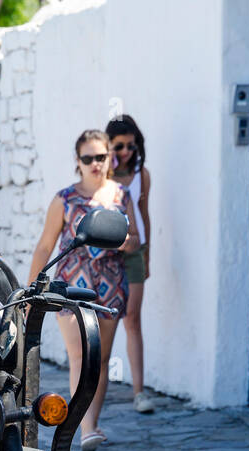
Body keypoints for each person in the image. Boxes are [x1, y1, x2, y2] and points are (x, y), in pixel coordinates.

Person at [27, 128, 140, 451]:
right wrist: (33, 288)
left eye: (100, 157)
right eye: (87, 158)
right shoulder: (64, 199)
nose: (94, 163)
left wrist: (121, 240)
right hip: (72, 285)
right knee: (78, 356)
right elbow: (45, 245)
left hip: (110, 284)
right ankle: (82, 427)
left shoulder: (121, 196)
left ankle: (90, 423)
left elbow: (134, 242)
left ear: (110, 158)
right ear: (77, 161)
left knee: (100, 360)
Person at [107, 114, 154, 414]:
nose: (126, 152)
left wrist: (149, 254)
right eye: (120, 146)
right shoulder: (102, 176)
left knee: (133, 319)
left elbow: (144, 212)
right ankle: (97, 384)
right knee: (106, 320)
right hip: (108, 253)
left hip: (136, 250)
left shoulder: (141, 174)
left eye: (131, 146)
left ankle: (139, 391)